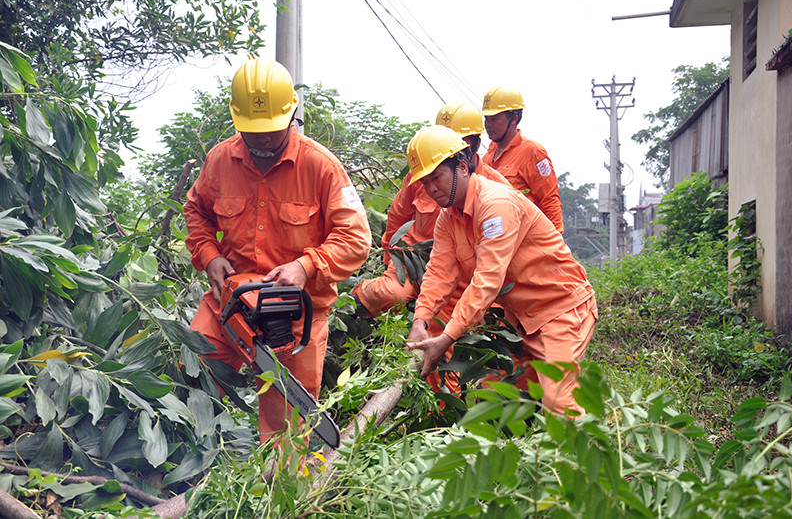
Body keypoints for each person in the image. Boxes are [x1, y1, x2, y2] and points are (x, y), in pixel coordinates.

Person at [183, 58, 371, 444]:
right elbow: (196, 210)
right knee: (191, 381)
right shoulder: (221, 159)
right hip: (230, 301)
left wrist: (306, 266)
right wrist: (209, 254)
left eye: (271, 132)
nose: (264, 141)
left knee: (287, 432)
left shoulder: (321, 167)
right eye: (254, 133)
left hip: (294, 317)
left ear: (291, 115)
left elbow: (355, 240)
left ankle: (281, 497)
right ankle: (179, 476)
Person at [404, 125, 597, 416]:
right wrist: (421, 318)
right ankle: (525, 459)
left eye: (437, 177)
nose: (432, 189)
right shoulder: (448, 218)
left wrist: (447, 337)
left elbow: (487, 281)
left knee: (559, 403)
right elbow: (438, 273)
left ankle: (598, 457)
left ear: (463, 166)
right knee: (494, 403)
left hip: (560, 310)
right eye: (425, 182)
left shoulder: (495, 206)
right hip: (520, 321)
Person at [350, 102, 509, 394]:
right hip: (414, 260)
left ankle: (446, 407)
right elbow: (398, 216)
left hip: (460, 273)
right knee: (389, 292)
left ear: (473, 146)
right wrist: (391, 259)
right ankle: (346, 310)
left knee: (448, 338)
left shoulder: (493, 189)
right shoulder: (421, 175)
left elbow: (491, 268)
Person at [481, 85, 564, 233]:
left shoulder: (533, 153)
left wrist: (555, 243)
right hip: (498, 241)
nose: (488, 125)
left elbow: (549, 200)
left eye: (494, 119)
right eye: (486, 119)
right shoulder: (487, 158)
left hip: (528, 240)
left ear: (514, 119)